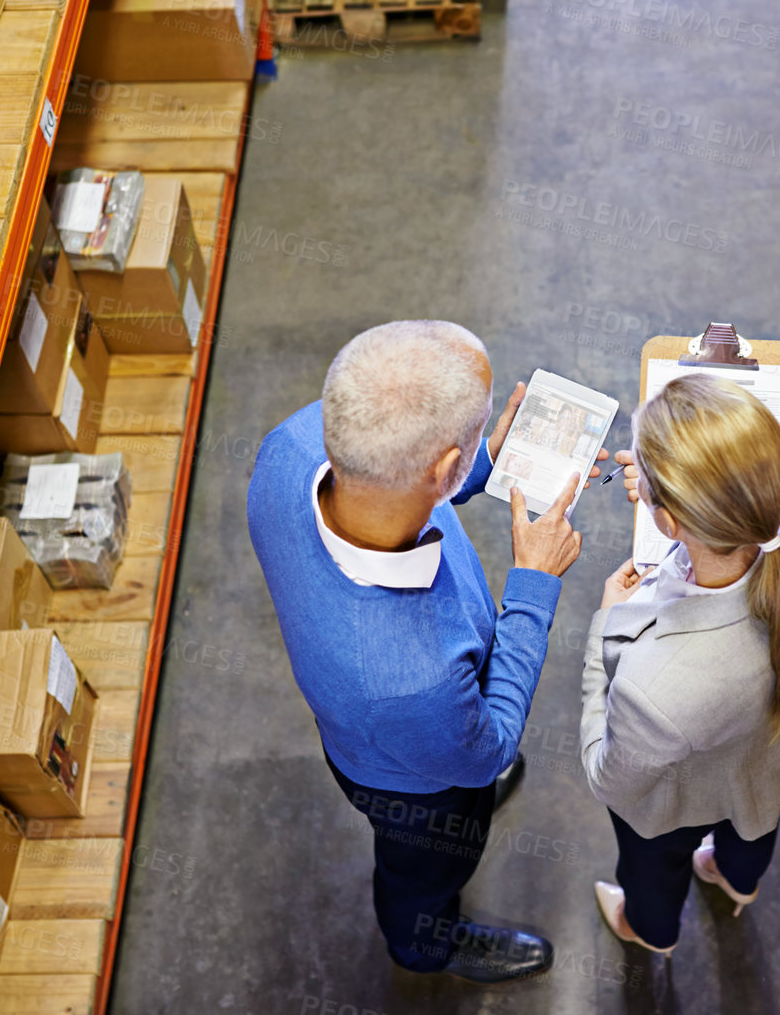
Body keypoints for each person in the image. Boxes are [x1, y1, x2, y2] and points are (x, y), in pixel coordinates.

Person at [247, 320, 599, 982]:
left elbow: (393, 480)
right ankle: (423, 946)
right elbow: (487, 748)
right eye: (475, 437)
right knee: (426, 866)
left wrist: (482, 462)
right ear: (441, 466)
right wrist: (532, 585)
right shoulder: (413, 678)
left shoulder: (292, 444)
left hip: (390, 728)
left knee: (455, 762)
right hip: (415, 789)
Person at [580, 374, 780, 953]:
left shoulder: (655, 689)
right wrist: (679, 496)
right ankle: (738, 880)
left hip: (679, 799)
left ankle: (650, 930)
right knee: (752, 828)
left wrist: (604, 628)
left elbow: (609, 776)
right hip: (769, 758)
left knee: (653, 867)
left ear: (669, 523)